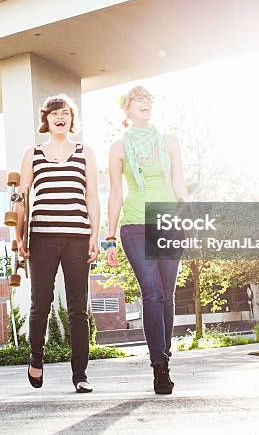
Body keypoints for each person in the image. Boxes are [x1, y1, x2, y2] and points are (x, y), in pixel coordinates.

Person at [106, 86, 188, 394]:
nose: (145, 104)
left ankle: (164, 355)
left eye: (148, 100)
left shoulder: (169, 142)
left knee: (166, 295)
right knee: (152, 291)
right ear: (126, 109)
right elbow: (116, 193)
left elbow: (178, 181)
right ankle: (159, 366)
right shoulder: (118, 148)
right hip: (135, 226)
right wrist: (109, 237)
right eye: (138, 100)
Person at [17, 94, 100, 393]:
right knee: (41, 304)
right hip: (42, 238)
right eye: (54, 113)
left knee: (79, 308)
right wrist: (19, 235)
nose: (60, 117)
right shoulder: (33, 154)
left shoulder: (85, 152)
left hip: (78, 237)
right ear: (46, 120)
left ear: (71, 118)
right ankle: (35, 358)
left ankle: (80, 374)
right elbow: (22, 197)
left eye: (65, 112)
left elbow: (92, 196)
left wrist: (95, 235)